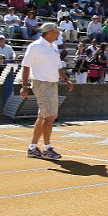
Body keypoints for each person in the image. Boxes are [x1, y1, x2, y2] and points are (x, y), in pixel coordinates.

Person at [20, 22, 74, 160]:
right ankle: (47, 148)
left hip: (52, 83)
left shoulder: (54, 47)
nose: (58, 34)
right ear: (49, 32)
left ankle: (32, 148)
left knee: (43, 116)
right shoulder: (35, 46)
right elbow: (26, 66)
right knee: (50, 117)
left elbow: (58, 67)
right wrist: (24, 86)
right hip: (41, 83)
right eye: (56, 32)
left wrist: (66, 80)